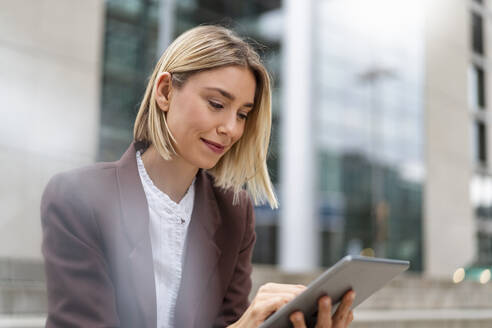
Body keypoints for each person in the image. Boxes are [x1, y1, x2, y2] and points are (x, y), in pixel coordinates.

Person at [40, 25, 355, 328]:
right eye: (217, 104)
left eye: (242, 114)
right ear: (165, 92)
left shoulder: (235, 212)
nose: (231, 129)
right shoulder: (78, 197)